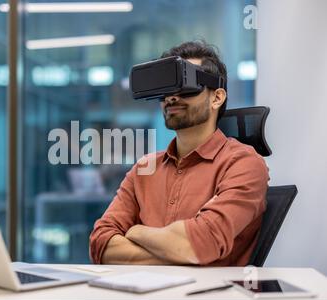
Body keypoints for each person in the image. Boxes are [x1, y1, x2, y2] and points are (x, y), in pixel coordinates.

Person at [89, 40, 269, 266]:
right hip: (141, 295)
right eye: (166, 88)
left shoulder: (243, 164)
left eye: (186, 85)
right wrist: (176, 252)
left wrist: (136, 231)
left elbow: (201, 244)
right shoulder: (145, 168)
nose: (172, 97)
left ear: (217, 97)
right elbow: (100, 243)